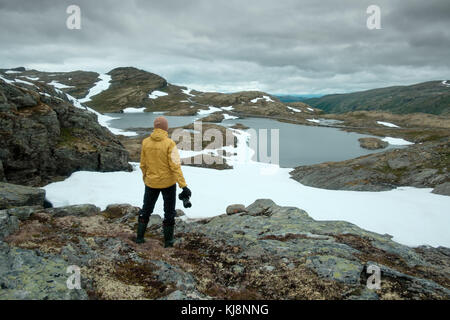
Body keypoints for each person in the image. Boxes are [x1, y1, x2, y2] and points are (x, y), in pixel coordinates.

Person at [136, 116, 191, 247]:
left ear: (155, 127)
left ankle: (139, 238)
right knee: (169, 212)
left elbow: (143, 165)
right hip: (168, 184)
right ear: (166, 128)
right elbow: (175, 166)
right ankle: (168, 242)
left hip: (151, 183)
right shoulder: (169, 143)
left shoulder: (145, 142)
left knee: (146, 209)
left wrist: (146, 178)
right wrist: (183, 186)